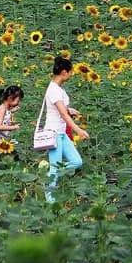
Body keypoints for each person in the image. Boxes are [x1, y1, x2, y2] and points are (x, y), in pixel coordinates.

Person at [43, 56, 89, 203]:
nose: (71, 74)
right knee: (55, 167)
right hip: (54, 133)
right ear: (64, 72)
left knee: (77, 161)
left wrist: (70, 110)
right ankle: (50, 199)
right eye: (70, 72)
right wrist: (78, 130)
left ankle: (51, 176)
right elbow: (62, 113)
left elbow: (63, 109)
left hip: (61, 132)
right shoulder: (53, 89)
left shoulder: (58, 89)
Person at [0, 85, 24, 160]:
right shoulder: (2, 109)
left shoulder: (7, 109)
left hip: (3, 137)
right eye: (18, 100)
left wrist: (12, 114)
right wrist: (13, 127)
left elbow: (6, 119)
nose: (19, 103)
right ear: (10, 98)